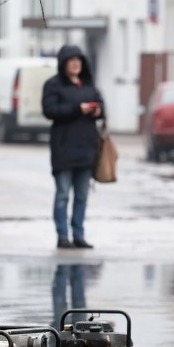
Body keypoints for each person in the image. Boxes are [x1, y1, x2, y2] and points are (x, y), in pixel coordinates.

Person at [41, 45, 105, 249]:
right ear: (64, 63)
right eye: (71, 60)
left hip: (87, 148)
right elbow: (50, 110)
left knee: (82, 195)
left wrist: (97, 111)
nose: (76, 63)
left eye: (79, 60)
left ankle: (79, 234)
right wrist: (78, 109)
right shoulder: (53, 85)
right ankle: (62, 236)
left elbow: (102, 107)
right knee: (62, 194)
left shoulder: (89, 85)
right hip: (64, 148)